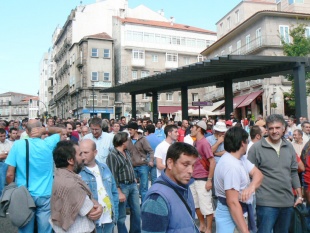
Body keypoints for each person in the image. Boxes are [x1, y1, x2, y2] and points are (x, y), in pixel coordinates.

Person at [248, 114, 302, 233]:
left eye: (277, 128)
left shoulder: (289, 146)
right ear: (266, 129)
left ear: (283, 129)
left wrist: (299, 195)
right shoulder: (256, 148)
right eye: (271, 128)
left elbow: (293, 172)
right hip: (266, 203)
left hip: (287, 202)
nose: (274, 131)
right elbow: (249, 174)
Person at [5, 119, 63, 233]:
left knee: (25, 228)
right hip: (45, 194)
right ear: (40, 129)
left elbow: (9, 173)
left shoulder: (17, 145)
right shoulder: (48, 143)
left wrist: (11, 188)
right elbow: (62, 131)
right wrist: (46, 129)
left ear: (26, 131)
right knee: (45, 230)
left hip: (24, 193)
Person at [141, 142, 200, 233]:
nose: (191, 171)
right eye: (185, 165)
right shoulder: (157, 199)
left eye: (193, 165)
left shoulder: (184, 187)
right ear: (170, 163)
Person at [214, 127, 263, 233]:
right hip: (230, 216)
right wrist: (245, 231)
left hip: (238, 211)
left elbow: (258, 174)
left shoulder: (239, 158)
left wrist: (251, 187)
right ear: (242, 143)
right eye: (247, 141)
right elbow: (232, 202)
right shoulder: (231, 166)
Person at [50, 140, 103, 233]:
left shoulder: (61, 174)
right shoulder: (70, 184)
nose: (83, 157)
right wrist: (100, 207)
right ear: (70, 160)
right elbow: (92, 212)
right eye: (80, 154)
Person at [79, 139, 119, 233]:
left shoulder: (104, 168)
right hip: (92, 221)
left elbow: (113, 192)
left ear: (95, 152)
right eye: (80, 153)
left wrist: (115, 214)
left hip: (108, 219)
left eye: (86, 152)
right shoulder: (78, 172)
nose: (83, 156)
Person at [106, 132, 141, 233]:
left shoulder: (127, 152)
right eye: (128, 140)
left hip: (132, 185)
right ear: (123, 142)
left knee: (137, 212)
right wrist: (119, 192)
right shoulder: (112, 155)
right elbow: (113, 175)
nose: (129, 142)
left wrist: (133, 177)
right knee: (121, 216)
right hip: (122, 186)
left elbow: (129, 167)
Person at [190, 121, 215, 233]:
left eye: (193, 127)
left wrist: (209, 180)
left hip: (203, 178)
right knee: (196, 205)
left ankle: (208, 229)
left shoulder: (204, 143)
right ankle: (203, 225)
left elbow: (212, 162)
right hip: (195, 177)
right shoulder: (196, 143)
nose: (191, 129)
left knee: (206, 206)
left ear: (199, 129)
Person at [126, 122, 154, 202]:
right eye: (128, 130)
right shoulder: (128, 141)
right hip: (132, 167)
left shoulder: (143, 139)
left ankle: (144, 206)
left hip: (143, 166)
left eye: (130, 130)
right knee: (131, 188)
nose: (129, 131)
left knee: (144, 188)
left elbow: (151, 151)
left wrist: (151, 160)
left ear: (135, 130)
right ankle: (133, 206)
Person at [0, 128, 13, 195]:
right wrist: (6, 154)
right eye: (1, 136)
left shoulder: (8, 142)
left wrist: (4, 155)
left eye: (4, 136)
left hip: (9, 163)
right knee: (2, 182)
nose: (3, 138)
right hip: (1, 163)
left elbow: (12, 153)